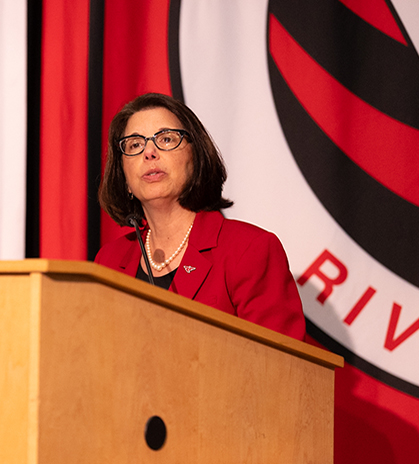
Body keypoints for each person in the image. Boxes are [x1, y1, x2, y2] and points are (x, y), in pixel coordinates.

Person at [95, 92, 305, 340]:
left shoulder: (249, 249)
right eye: (135, 144)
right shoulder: (109, 260)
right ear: (125, 178)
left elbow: (280, 368)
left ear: (196, 159)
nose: (149, 152)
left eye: (166, 139)